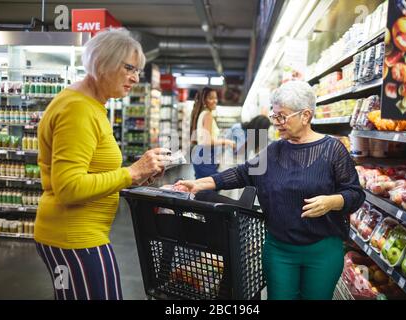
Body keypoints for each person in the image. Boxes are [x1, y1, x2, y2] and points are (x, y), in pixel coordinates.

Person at [175, 81, 365, 300]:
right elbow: (242, 173)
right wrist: (201, 183)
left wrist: (333, 201)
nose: (276, 123)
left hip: (322, 252)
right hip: (279, 251)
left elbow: (355, 194)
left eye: (282, 117)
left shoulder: (333, 150)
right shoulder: (274, 150)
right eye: (275, 116)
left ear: (305, 115)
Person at [34, 28, 171, 300]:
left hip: (79, 235)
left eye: (138, 70)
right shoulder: (78, 109)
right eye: (129, 68)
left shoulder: (91, 105)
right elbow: (69, 187)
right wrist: (130, 173)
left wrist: (138, 175)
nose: (134, 78)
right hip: (74, 237)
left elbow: (92, 172)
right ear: (103, 62)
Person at [190, 87, 235, 179]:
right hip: (205, 155)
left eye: (216, 97)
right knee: (210, 187)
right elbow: (207, 141)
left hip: (201, 154)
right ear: (204, 100)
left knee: (202, 187)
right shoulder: (207, 115)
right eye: (211, 98)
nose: (215, 101)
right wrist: (227, 142)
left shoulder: (202, 113)